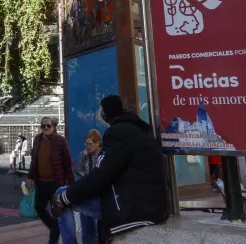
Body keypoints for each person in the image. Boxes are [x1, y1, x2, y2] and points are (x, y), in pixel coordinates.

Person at [55, 95, 169, 242]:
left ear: (106, 116)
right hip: (155, 205)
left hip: (134, 208)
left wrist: (66, 196)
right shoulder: (141, 132)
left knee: (60, 194)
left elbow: (102, 175)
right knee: (79, 193)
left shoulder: (117, 133)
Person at [28, 116, 73, 244]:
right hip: (41, 183)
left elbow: (68, 163)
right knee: (39, 207)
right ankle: (54, 227)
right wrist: (30, 176)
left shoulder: (60, 140)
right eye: (43, 126)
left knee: (56, 213)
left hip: (56, 184)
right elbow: (34, 160)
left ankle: (52, 241)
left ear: (54, 127)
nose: (46, 128)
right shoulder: (37, 139)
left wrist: (71, 183)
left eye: (49, 125)